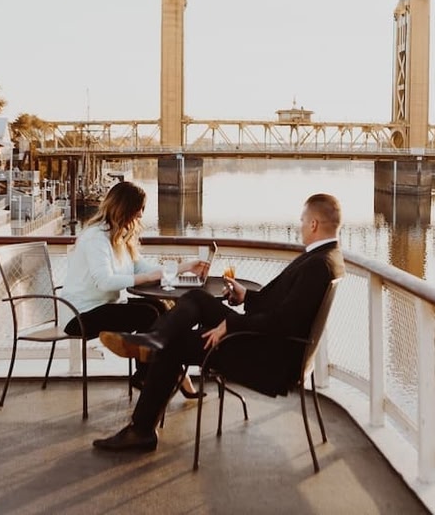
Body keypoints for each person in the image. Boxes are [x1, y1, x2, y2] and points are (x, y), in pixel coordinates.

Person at [92, 192, 345, 452]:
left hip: (268, 358)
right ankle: (155, 339)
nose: (300, 225)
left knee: (175, 345)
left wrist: (231, 326)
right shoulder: (327, 258)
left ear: (313, 224)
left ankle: (141, 429)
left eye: (302, 220)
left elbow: (284, 322)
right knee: (197, 298)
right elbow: (285, 310)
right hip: (266, 343)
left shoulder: (317, 265)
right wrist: (246, 297)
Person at [61, 180, 207, 393]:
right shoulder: (95, 238)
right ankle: (149, 375)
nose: (140, 215)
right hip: (79, 314)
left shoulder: (119, 237)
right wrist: (146, 277)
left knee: (158, 307)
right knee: (148, 314)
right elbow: (105, 281)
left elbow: (145, 268)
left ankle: (161, 373)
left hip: (104, 306)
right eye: (138, 209)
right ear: (124, 208)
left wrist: (186, 267)